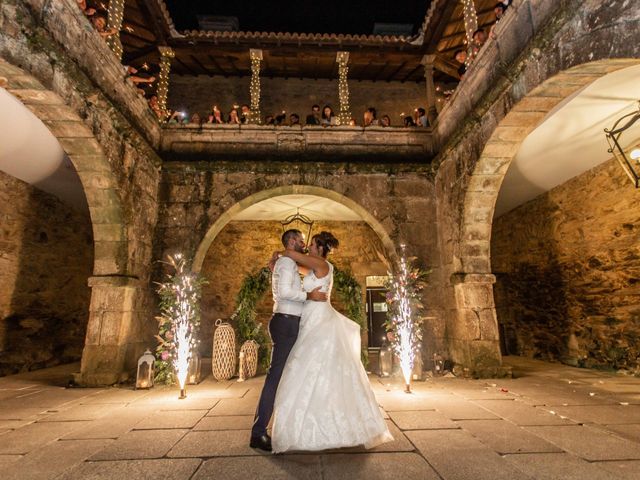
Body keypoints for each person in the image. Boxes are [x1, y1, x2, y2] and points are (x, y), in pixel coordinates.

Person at [269, 231, 393, 453]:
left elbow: (291, 255)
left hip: (318, 318)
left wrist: (280, 252)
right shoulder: (316, 265)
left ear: (320, 248)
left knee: (313, 367)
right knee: (314, 369)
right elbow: (293, 269)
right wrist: (277, 267)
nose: (308, 246)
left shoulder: (320, 263)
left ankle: (324, 425)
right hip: (311, 317)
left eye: (312, 244)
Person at [250, 230, 328, 452]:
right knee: (275, 378)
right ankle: (258, 433)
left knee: (286, 376)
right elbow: (284, 291)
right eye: (302, 240)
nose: (304, 244)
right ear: (292, 241)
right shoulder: (285, 263)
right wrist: (309, 296)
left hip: (288, 321)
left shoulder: (286, 263)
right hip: (285, 323)